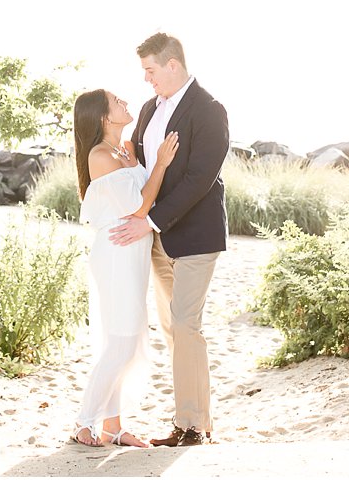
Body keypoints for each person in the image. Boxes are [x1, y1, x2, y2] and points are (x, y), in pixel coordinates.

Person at [109, 32, 230, 447]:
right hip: (160, 240)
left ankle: (193, 426)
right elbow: (149, 172)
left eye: (150, 70)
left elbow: (201, 177)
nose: (146, 79)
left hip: (195, 235)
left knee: (185, 324)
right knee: (173, 329)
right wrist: (132, 167)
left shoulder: (209, 110)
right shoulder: (147, 110)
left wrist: (152, 221)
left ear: (172, 64)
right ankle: (192, 423)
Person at [70, 87, 179, 448]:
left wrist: (143, 165)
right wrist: (160, 164)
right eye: (117, 102)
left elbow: (144, 197)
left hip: (133, 254)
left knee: (127, 340)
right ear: (103, 116)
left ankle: (112, 427)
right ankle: (84, 421)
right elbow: (139, 208)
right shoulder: (100, 156)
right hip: (116, 254)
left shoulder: (123, 150)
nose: (126, 104)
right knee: (122, 342)